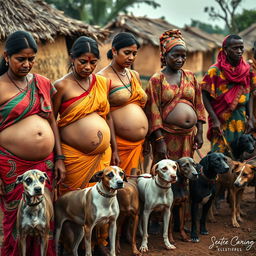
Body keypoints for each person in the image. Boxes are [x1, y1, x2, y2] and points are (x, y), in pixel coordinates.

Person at [0, 31, 65, 256]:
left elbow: (52, 122)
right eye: (21, 59)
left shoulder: (43, 83)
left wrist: (59, 157)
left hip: (44, 164)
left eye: (31, 59)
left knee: (44, 216)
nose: (27, 64)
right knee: (16, 218)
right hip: (11, 164)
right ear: (7, 56)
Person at [52, 36, 116, 255]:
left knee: (103, 199)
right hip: (72, 157)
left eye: (93, 62)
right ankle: (71, 247)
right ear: (72, 59)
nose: (88, 67)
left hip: (102, 156)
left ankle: (100, 244)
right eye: (82, 62)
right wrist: (58, 158)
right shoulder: (61, 85)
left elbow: (107, 117)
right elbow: (52, 121)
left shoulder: (102, 82)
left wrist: (114, 148)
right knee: (71, 202)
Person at [145, 29, 206, 162]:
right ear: (165, 55)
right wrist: (159, 140)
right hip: (166, 136)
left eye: (183, 56)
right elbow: (153, 111)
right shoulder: (157, 79)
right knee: (166, 175)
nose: (180, 59)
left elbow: (199, 105)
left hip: (188, 137)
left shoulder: (190, 76)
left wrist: (199, 132)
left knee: (185, 173)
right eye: (176, 55)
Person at [98, 32, 148, 175]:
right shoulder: (102, 78)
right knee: (120, 188)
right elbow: (105, 115)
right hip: (119, 145)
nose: (131, 58)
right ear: (114, 51)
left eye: (134, 53)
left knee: (137, 188)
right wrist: (113, 148)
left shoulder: (134, 75)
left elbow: (140, 107)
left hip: (139, 144)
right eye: (127, 53)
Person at [201, 35, 256, 155]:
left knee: (240, 156)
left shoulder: (248, 70)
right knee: (220, 157)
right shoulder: (215, 71)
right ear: (225, 50)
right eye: (235, 48)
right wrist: (215, 119)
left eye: (241, 48)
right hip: (221, 120)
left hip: (241, 119)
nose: (239, 51)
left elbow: (251, 93)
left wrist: (251, 117)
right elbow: (205, 94)